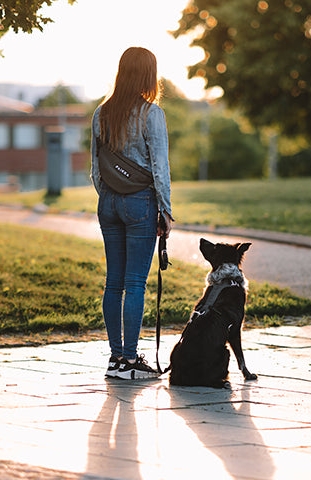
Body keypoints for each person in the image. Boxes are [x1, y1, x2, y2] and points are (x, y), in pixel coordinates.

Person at [90, 47, 173, 380]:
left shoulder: (101, 113)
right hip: (140, 202)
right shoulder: (151, 114)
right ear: (147, 75)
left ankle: (115, 360)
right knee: (135, 283)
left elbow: (96, 167)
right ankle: (129, 361)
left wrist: (109, 197)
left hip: (107, 201)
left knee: (114, 282)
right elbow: (159, 167)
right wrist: (165, 210)